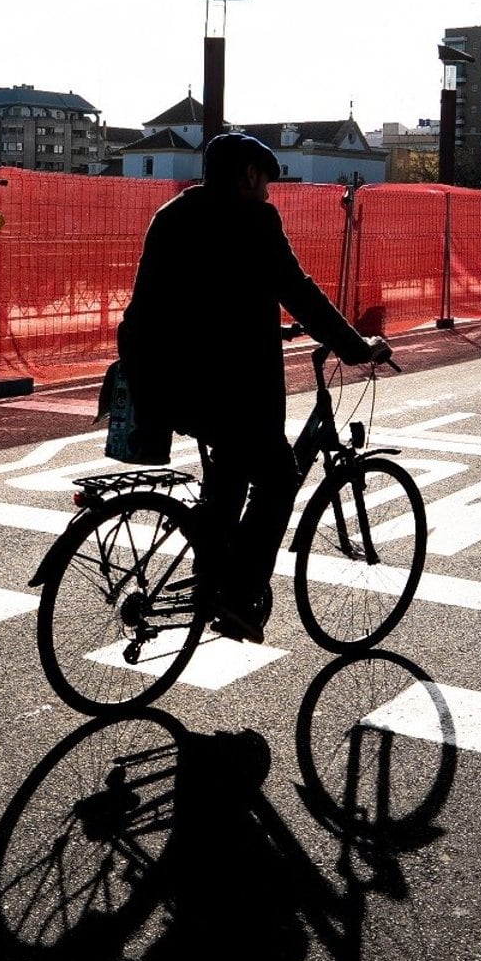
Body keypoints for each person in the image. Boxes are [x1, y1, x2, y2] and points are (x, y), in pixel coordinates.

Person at [116, 132, 391, 641]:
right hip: (227, 385)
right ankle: (240, 596)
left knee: (231, 472)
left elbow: (203, 297)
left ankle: (210, 579)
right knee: (280, 476)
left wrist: (270, 324)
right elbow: (297, 289)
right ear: (248, 176)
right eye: (266, 181)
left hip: (161, 379)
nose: (268, 193)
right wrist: (355, 346)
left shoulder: (172, 213)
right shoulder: (253, 220)